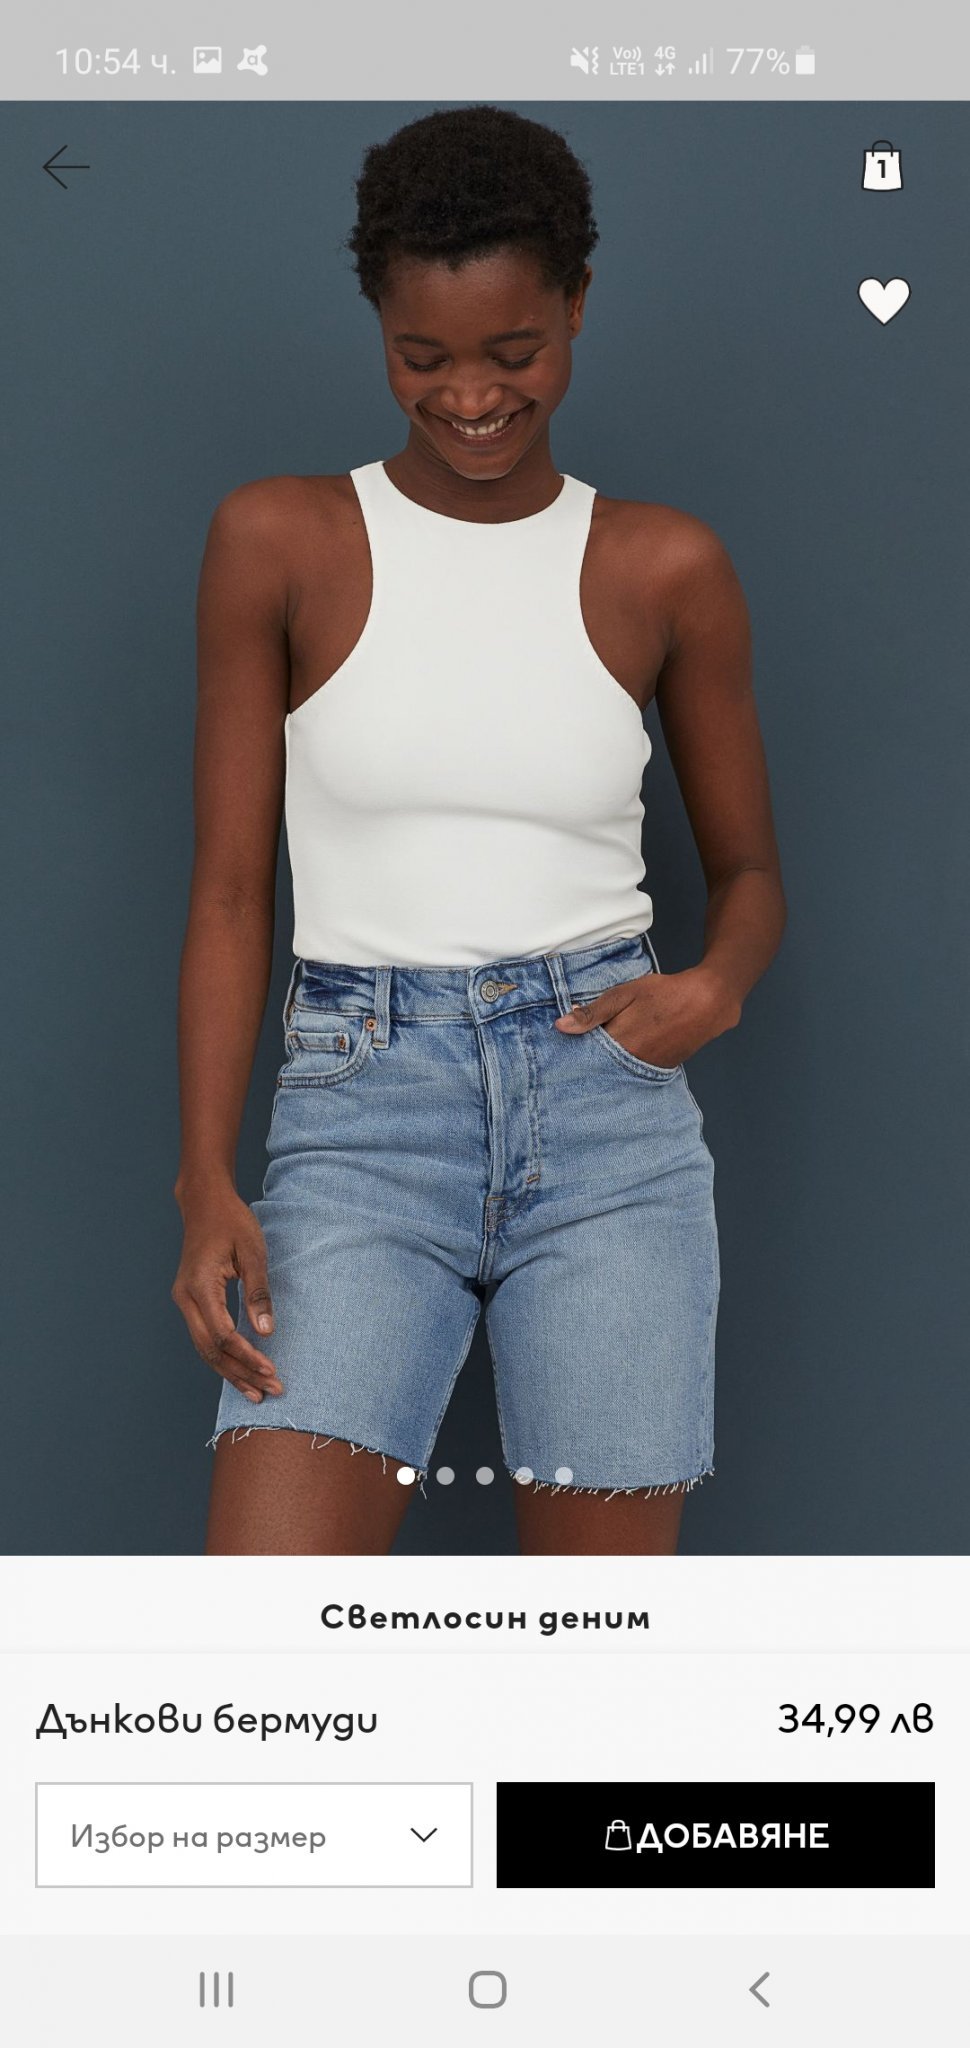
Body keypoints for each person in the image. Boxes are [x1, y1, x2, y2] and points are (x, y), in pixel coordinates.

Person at [172, 104, 786, 1558]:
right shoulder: (277, 541)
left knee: (595, 1650)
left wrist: (713, 988)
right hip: (360, 1116)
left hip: (609, 1120)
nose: (468, 397)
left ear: (576, 305)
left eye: (514, 353)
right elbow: (230, 895)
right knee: (260, 1637)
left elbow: (749, 872)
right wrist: (205, 1179)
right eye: (421, 356)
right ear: (379, 329)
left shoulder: (664, 566)